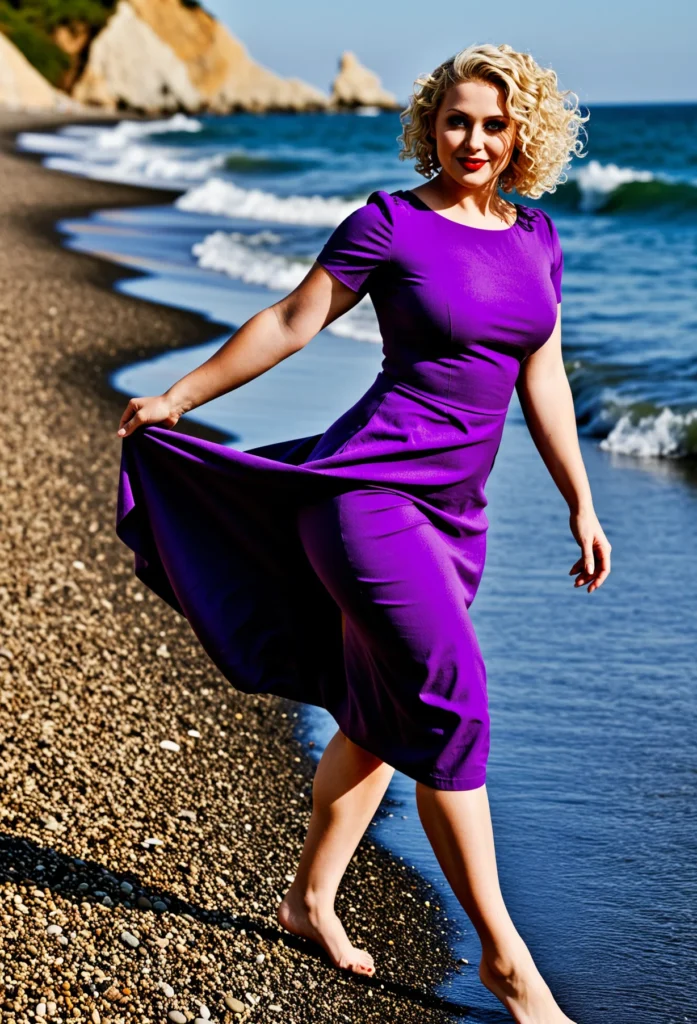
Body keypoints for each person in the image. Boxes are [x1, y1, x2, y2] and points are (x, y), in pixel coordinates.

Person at [116, 42, 610, 1024]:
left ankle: (307, 898)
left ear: (524, 136)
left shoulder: (536, 238)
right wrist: (181, 393)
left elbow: (541, 376)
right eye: (457, 118)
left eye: (494, 123)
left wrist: (580, 499)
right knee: (449, 704)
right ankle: (506, 960)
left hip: (454, 515)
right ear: (431, 121)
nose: (473, 138)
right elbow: (295, 317)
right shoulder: (390, 222)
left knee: (378, 708)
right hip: (365, 499)